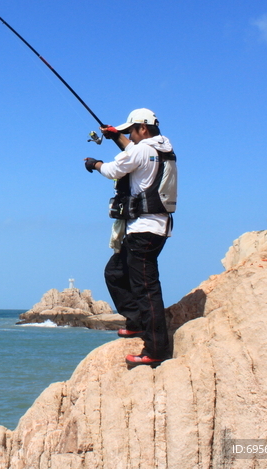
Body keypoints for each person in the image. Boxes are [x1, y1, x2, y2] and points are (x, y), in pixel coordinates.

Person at [83, 108, 176, 366]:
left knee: (146, 289)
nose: (130, 136)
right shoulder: (162, 148)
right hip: (154, 227)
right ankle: (135, 322)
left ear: (143, 129)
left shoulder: (142, 149)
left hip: (145, 229)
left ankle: (155, 348)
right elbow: (134, 154)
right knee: (115, 272)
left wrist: (94, 164)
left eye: (130, 131)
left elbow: (114, 169)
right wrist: (115, 136)